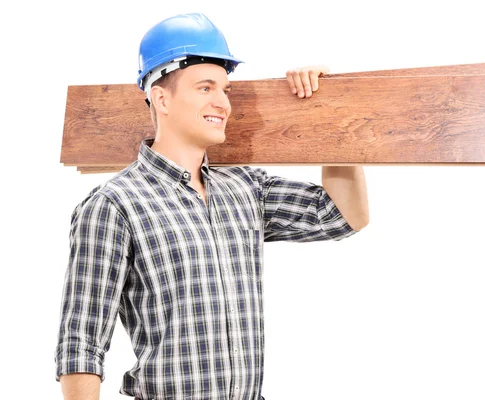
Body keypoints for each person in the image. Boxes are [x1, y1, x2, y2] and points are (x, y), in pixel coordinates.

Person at [54, 12, 369, 400]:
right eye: (206, 88)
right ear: (161, 97)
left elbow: (342, 216)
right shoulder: (114, 205)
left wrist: (334, 107)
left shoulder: (246, 189)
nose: (223, 103)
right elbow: (81, 343)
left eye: (226, 90)